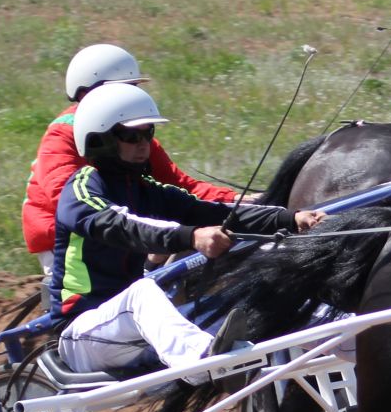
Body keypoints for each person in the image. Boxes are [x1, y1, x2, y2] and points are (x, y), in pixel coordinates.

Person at [48, 82, 324, 382]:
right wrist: (191, 237)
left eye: (148, 133)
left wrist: (291, 218)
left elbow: (215, 212)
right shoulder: (80, 190)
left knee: (254, 274)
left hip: (130, 332)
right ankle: (204, 363)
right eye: (131, 135)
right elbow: (126, 226)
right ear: (100, 138)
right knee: (141, 293)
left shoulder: (144, 189)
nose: (144, 144)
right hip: (80, 334)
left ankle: (337, 335)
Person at [23, 43, 241, 274]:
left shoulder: (135, 135)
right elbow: (71, 204)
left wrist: (238, 199)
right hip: (68, 237)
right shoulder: (61, 134)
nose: (133, 98)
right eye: (125, 89)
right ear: (86, 94)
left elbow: (181, 185)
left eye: (134, 88)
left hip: (122, 224)